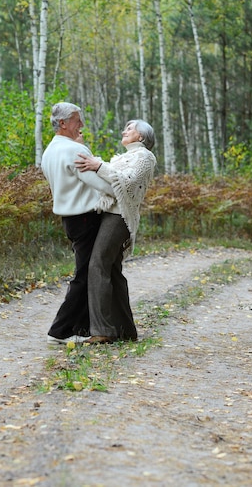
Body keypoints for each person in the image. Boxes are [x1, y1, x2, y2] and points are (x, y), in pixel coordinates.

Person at [75, 119, 156, 344]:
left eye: (130, 129)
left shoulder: (145, 157)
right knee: (111, 270)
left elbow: (127, 183)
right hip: (109, 213)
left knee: (97, 264)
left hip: (119, 217)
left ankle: (102, 330)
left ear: (141, 137)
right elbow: (106, 180)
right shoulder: (123, 158)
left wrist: (98, 165)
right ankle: (125, 329)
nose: (124, 131)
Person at [41, 102, 115, 346]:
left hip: (70, 219)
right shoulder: (74, 150)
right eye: (76, 119)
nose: (81, 124)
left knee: (87, 272)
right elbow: (100, 184)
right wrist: (123, 187)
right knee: (85, 275)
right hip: (85, 217)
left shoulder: (49, 151)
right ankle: (60, 330)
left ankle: (83, 328)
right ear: (63, 123)